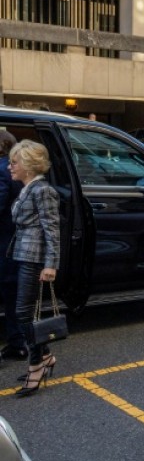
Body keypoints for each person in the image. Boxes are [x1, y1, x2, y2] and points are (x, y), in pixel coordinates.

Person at [8, 140, 60, 397]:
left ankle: (36, 364)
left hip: (35, 258)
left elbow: (52, 229)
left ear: (28, 164)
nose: (9, 167)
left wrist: (51, 265)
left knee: (23, 314)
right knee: (24, 313)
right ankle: (46, 356)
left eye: (14, 162)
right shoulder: (28, 188)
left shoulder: (42, 190)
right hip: (24, 256)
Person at [0, 130, 26, 361]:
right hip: (13, 245)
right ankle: (17, 343)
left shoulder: (1, 170)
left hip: (3, 244)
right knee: (11, 297)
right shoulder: (15, 172)